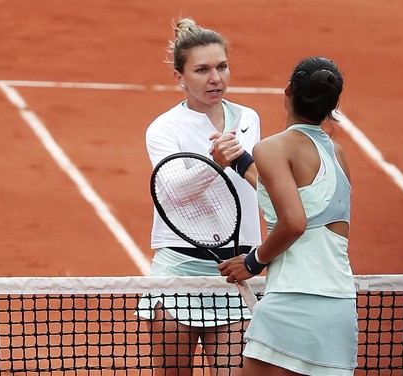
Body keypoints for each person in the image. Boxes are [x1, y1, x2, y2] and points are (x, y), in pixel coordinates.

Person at [215, 56, 358, 376]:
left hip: (294, 301)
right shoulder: (338, 154)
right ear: (332, 105)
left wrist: (252, 262)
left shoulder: (273, 148)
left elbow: (294, 221)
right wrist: (239, 159)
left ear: (288, 91)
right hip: (339, 306)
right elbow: (293, 197)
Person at [140, 17, 262, 376]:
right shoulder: (163, 129)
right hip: (179, 274)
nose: (216, 78)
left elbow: (258, 182)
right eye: (203, 69)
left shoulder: (248, 118)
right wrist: (216, 163)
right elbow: (172, 193)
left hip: (235, 274)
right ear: (180, 77)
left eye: (222, 67)